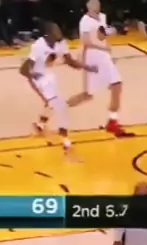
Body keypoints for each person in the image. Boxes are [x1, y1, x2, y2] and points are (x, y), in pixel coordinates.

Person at [19, 21, 96, 160]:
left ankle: (40, 125)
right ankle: (66, 142)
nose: (60, 32)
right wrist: (33, 77)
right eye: (56, 30)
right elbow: (23, 70)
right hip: (37, 79)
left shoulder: (61, 43)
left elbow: (70, 62)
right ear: (48, 33)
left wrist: (87, 67)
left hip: (48, 76)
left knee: (53, 104)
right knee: (60, 106)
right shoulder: (38, 46)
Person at [66, 0, 133, 137]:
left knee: (116, 85)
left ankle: (112, 121)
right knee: (88, 95)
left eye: (98, 2)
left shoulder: (102, 16)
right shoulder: (85, 21)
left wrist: (111, 32)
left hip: (103, 56)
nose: (97, 4)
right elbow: (86, 42)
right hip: (92, 56)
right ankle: (59, 108)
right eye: (93, 2)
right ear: (87, 5)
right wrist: (103, 48)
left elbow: (101, 36)